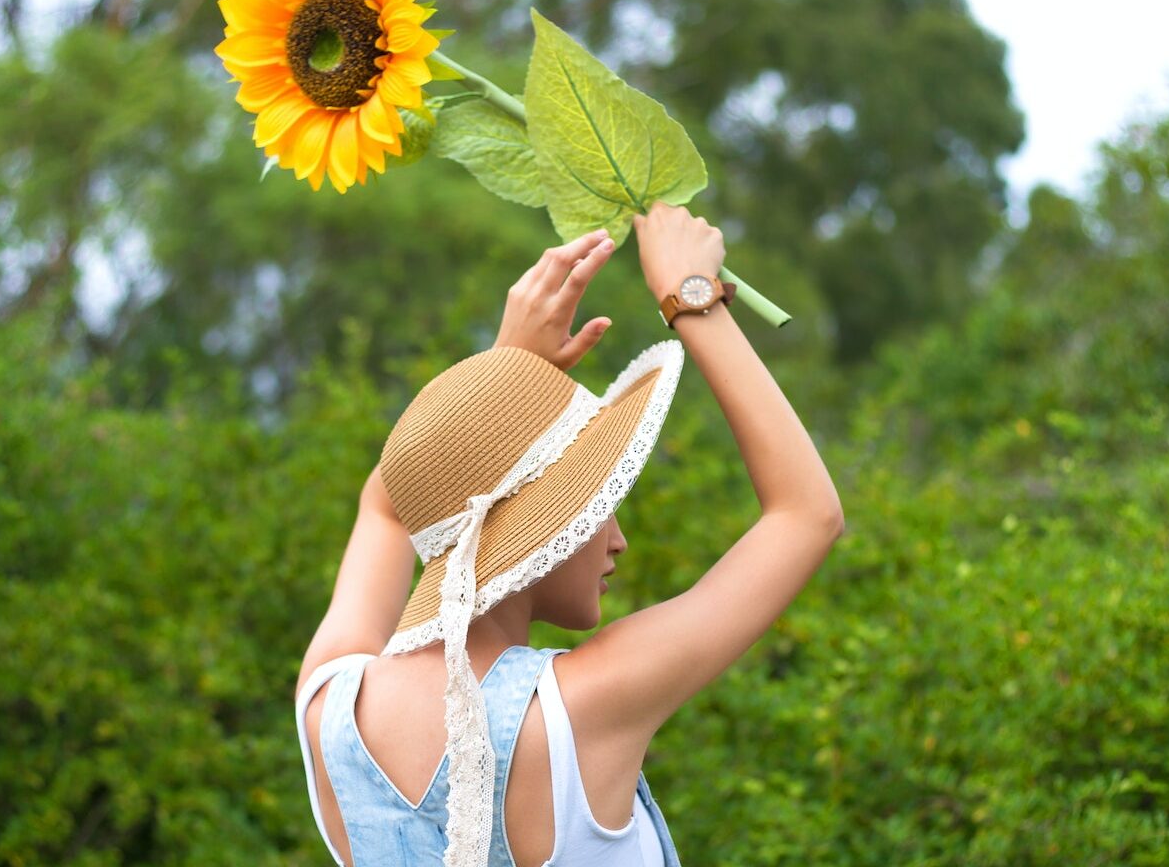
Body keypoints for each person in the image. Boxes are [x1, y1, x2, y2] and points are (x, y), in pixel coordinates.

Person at [294, 202, 846, 867]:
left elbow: (387, 503)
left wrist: (500, 382)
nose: (616, 539)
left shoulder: (328, 707)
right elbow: (807, 514)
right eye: (593, 505)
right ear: (535, 524)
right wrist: (691, 298)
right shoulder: (583, 705)